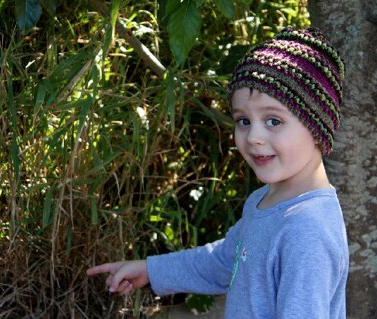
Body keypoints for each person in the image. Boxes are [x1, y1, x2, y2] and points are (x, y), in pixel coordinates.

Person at [87, 27, 349, 318]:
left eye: (273, 121)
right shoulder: (266, 200)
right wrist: (152, 269)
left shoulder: (306, 230)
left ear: (317, 126)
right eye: (243, 120)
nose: (253, 137)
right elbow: (227, 261)